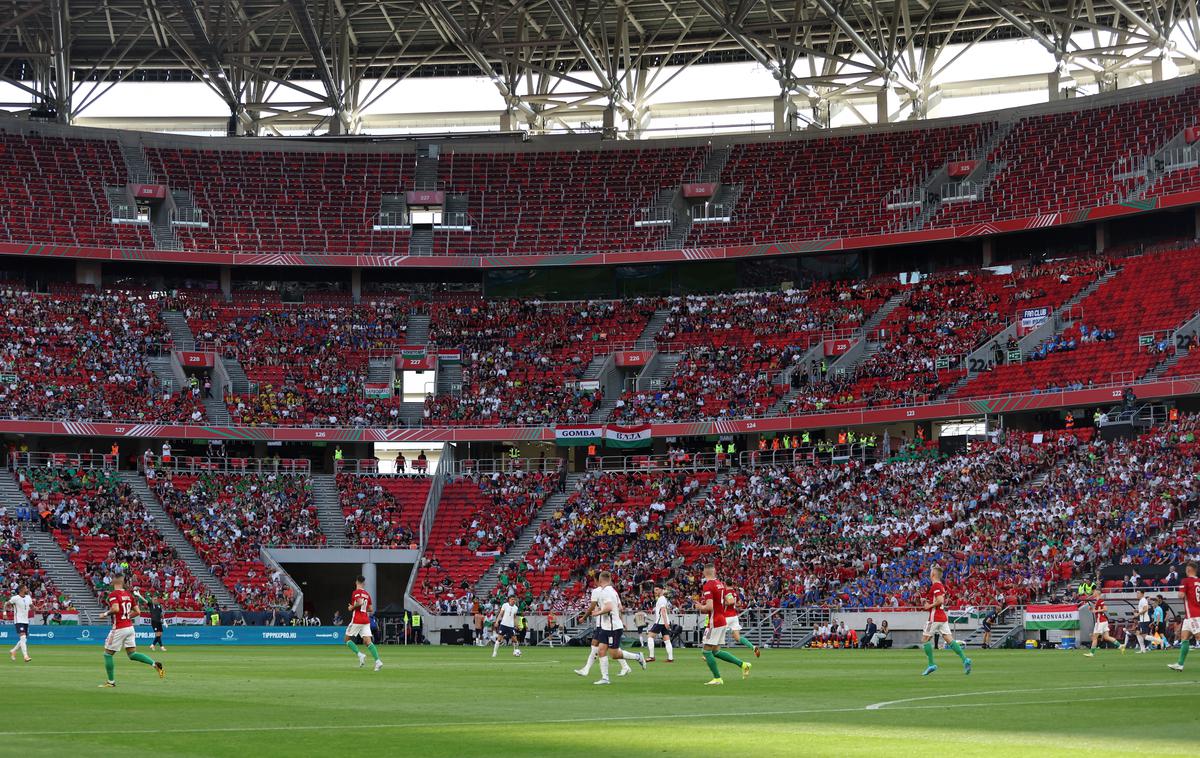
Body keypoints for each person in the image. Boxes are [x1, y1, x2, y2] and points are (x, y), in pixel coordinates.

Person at [98, 575, 164, 687]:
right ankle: (154, 664)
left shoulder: (114, 594)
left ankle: (111, 682)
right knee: (132, 654)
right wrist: (127, 617)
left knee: (108, 654)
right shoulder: (129, 595)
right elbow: (138, 612)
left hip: (119, 627)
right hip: (129, 627)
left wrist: (104, 614)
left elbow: (115, 609)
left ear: (115, 582)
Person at [695, 564, 750, 686]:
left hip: (714, 621)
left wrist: (700, 607)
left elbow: (709, 607)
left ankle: (717, 678)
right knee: (715, 651)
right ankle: (743, 664)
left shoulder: (708, 586)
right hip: (722, 619)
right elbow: (730, 601)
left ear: (705, 572)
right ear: (714, 572)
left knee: (706, 651)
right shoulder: (720, 584)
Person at [589, 571, 645, 685]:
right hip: (607, 626)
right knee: (601, 651)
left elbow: (609, 607)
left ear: (600, 580)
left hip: (613, 628)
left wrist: (597, 612)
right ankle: (605, 678)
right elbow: (620, 607)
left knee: (614, 654)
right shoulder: (613, 591)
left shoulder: (606, 592)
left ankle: (638, 656)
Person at [574, 580, 632, 679]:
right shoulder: (613, 591)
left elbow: (592, 606)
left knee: (599, 647)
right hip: (608, 624)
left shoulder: (598, 591)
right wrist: (620, 621)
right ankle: (624, 667)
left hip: (603, 624)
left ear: (597, 580)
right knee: (607, 648)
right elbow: (620, 608)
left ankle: (588, 670)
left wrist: (584, 617)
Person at [919, 565, 971, 676]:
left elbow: (940, 600)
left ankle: (931, 664)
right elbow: (938, 599)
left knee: (925, 639)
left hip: (935, 617)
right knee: (950, 640)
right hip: (942, 616)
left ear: (933, 574)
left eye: (930, 572)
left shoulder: (936, 585)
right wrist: (926, 602)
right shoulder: (940, 586)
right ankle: (965, 659)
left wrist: (929, 606)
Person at [344, 575, 383, 671]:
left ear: (356, 582)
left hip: (357, 619)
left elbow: (358, 603)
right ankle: (378, 661)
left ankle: (360, 655)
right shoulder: (367, 594)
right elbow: (370, 609)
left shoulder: (355, 593)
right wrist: (362, 606)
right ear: (364, 583)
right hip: (366, 620)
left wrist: (351, 607)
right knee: (367, 641)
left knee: (347, 639)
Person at [1169, 561, 1200, 672]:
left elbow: (1180, 595)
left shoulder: (1186, 581)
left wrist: (1182, 592)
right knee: (1184, 638)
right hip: (1190, 615)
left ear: (1189, 569)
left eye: (1187, 568)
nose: (1186, 571)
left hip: (1193, 615)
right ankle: (1180, 664)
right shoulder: (1199, 581)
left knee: (1198, 638)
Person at [725, 586, 761, 658]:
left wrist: (726, 604)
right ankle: (753, 647)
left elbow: (728, 603)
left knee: (717, 634)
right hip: (734, 617)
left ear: (726, 585)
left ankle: (709, 654)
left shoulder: (726, 592)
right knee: (737, 637)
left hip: (727, 616)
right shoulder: (735, 594)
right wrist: (734, 604)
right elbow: (739, 604)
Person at [1083, 592, 1121, 657]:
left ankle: (1091, 653)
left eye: (1094, 592)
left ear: (1097, 593)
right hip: (1102, 621)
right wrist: (1091, 609)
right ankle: (1120, 646)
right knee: (1106, 637)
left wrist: (1095, 611)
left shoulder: (1100, 600)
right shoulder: (1097, 601)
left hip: (1100, 621)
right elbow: (1096, 611)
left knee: (1094, 637)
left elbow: (1105, 609)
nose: (1093, 593)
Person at [646, 586, 674, 663]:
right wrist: (666, 623)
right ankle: (670, 658)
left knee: (650, 636)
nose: (655, 591)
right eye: (654, 590)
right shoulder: (663, 599)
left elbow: (663, 611)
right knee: (667, 640)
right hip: (664, 621)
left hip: (660, 622)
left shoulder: (661, 599)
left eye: (657, 589)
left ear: (661, 590)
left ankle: (651, 656)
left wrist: (665, 622)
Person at [6, 585, 33, 662]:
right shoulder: (15, 598)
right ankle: (26, 656)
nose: (27, 589)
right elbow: (6, 604)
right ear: (21, 590)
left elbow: (31, 606)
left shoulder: (28, 597)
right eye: (26, 588)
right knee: (23, 638)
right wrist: (5, 613)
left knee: (24, 639)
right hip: (18, 620)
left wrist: (35, 608)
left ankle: (13, 650)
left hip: (26, 621)